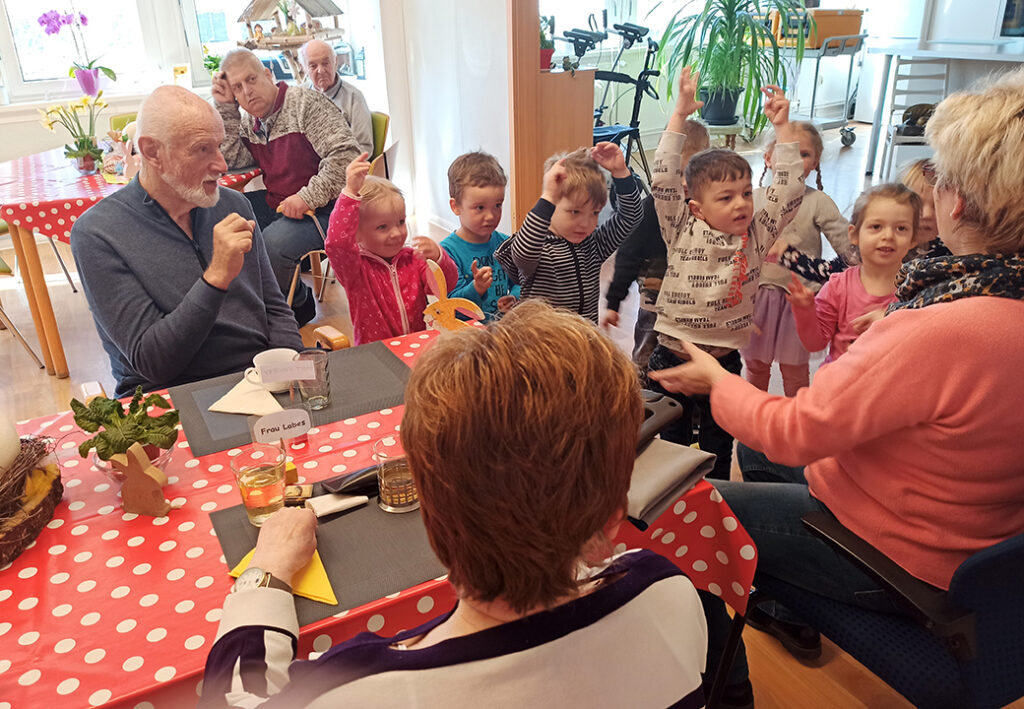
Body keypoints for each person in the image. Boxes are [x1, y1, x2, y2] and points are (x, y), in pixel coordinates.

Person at [649, 69, 1024, 701]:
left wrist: (717, 378)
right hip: (970, 532)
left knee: (682, 510)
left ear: (956, 203)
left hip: (900, 558)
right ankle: (769, 589)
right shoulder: (978, 304)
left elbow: (794, 429)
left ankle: (725, 691)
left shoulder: (942, 327)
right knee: (757, 451)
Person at [199, 301, 708, 708]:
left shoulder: (353, 690)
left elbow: (234, 697)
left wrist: (266, 571)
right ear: (614, 516)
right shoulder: (669, 593)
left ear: (429, 503)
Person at [71, 86, 303, 398]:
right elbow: (153, 362)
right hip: (172, 397)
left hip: (262, 377)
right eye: (202, 149)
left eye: (219, 147)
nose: (222, 165)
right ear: (152, 152)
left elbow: (275, 306)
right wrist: (216, 277)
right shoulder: (97, 233)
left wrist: (286, 369)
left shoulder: (233, 205)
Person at [645, 68, 805, 481]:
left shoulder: (757, 233)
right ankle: (678, 507)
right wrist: (679, 114)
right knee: (671, 448)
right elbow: (663, 176)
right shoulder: (681, 226)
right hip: (673, 358)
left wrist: (783, 128)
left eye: (746, 194)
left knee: (718, 448)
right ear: (696, 207)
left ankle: (714, 501)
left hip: (723, 362)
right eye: (726, 197)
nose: (741, 205)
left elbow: (787, 190)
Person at [212, 48, 361, 326]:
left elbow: (346, 157)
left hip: (327, 209)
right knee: (224, 216)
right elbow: (231, 158)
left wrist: (306, 198)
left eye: (252, 80)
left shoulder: (305, 103)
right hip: (280, 204)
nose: (247, 92)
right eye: (238, 88)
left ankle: (290, 310)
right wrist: (227, 109)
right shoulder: (251, 121)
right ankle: (271, 302)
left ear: (268, 75)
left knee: (272, 243)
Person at [742, 122, 852, 395]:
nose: (793, 160)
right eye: (784, 151)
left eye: (803, 154)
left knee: (794, 372)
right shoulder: (752, 199)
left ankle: (796, 426)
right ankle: (753, 427)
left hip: (799, 301)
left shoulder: (818, 202)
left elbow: (850, 250)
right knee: (755, 367)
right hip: (757, 298)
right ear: (768, 158)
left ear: (814, 163)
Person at [602, 119, 710, 378]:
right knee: (646, 353)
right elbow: (628, 256)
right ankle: (643, 389)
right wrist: (613, 302)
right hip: (656, 302)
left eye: (691, 173)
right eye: (677, 172)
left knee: (689, 353)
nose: (684, 182)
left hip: (695, 305)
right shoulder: (650, 210)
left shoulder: (708, 209)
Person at [494, 142, 643, 323]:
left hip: (583, 339)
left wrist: (621, 174)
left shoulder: (594, 245)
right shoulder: (538, 247)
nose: (585, 224)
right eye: (575, 212)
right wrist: (548, 195)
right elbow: (523, 253)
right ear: (551, 206)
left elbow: (631, 216)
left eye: (595, 213)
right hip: (542, 343)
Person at [323, 152, 458, 345]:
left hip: (416, 345)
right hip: (376, 354)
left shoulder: (413, 259)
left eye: (401, 222)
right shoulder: (355, 270)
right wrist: (349, 193)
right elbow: (336, 244)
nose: (396, 233)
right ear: (356, 233)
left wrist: (438, 257)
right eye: (382, 227)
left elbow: (446, 286)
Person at [788, 184, 919, 362]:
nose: (888, 235)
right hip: (840, 383)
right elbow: (815, 344)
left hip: (890, 386)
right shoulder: (838, 287)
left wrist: (893, 320)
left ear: (913, 239)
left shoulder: (919, 289)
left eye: (901, 229)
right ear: (854, 234)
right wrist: (805, 312)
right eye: (876, 227)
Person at [772, 158, 950, 284]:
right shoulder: (871, 246)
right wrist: (787, 253)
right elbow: (829, 273)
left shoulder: (950, 252)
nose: (926, 214)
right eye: (918, 204)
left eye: (935, 205)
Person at [416, 151, 519, 319]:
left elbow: (520, 281)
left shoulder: (505, 243)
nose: (491, 216)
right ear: (456, 206)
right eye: (480, 207)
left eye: (498, 205)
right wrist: (476, 288)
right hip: (467, 335)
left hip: (503, 330)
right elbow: (452, 307)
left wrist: (514, 297)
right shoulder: (447, 253)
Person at [298, 39, 374, 155]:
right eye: (313, 66)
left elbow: (364, 147)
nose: (321, 70)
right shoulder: (298, 96)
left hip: (342, 166)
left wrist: (337, 165)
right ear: (303, 68)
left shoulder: (353, 97)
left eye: (325, 63)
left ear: (335, 62)